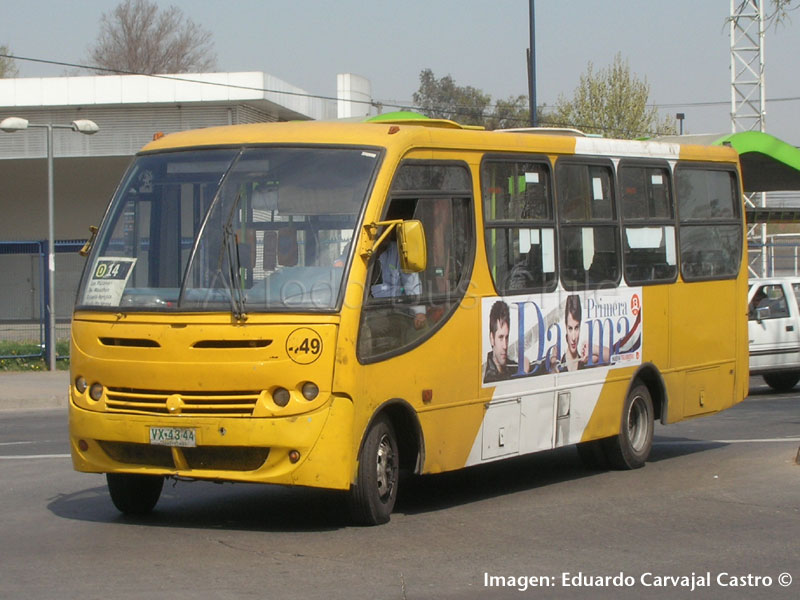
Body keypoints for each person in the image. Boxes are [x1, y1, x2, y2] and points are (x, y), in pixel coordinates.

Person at [555, 294, 608, 372]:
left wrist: (593, 348)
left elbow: (611, 356)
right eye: (570, 328)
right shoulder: (558, 362)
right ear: (565, 327)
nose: (573, 338)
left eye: (576, 328)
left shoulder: (584, 359)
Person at [484, 300, 517, 382]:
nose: (505, 346)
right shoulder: (488, 376)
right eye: (500, 337)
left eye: (507, 337)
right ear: (492, 339)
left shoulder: (512, 366)